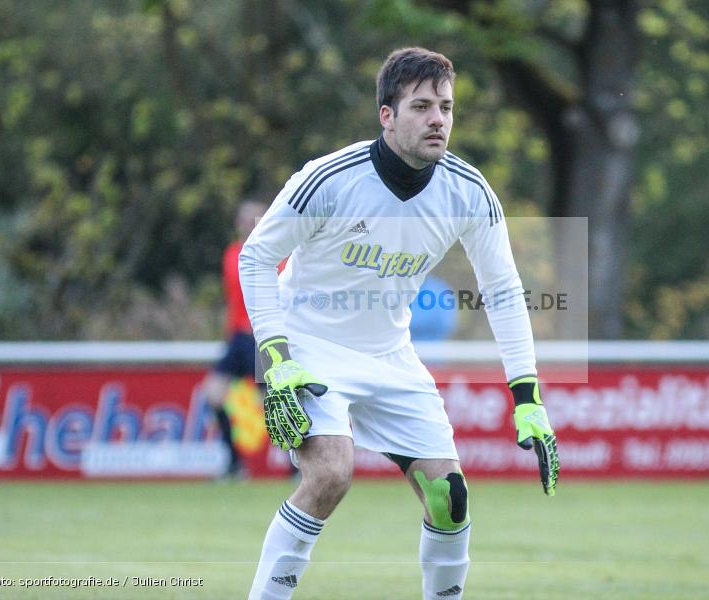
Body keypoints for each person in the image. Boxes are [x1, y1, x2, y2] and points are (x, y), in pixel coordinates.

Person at [239, 47, 559, 600]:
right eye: (422, 106)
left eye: (446, 107)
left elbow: (503, 291)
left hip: (391, 355)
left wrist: (526, 393)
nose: (438, 119)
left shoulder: (470, 192)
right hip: (309, 348)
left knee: (450, 498)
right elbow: (255, 258)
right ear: (386, 115)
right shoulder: (329, 179)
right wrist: (277, 356)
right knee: (330, 473)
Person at [200, 200, 266, 479]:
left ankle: (296, 468)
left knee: (275, 404)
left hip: (263, 339)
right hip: (239, 339)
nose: (249, 223)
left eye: (255, 218)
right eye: (245, 218)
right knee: (213, 395)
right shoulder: (232, 254)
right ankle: (234, 463)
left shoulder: (274, 255)